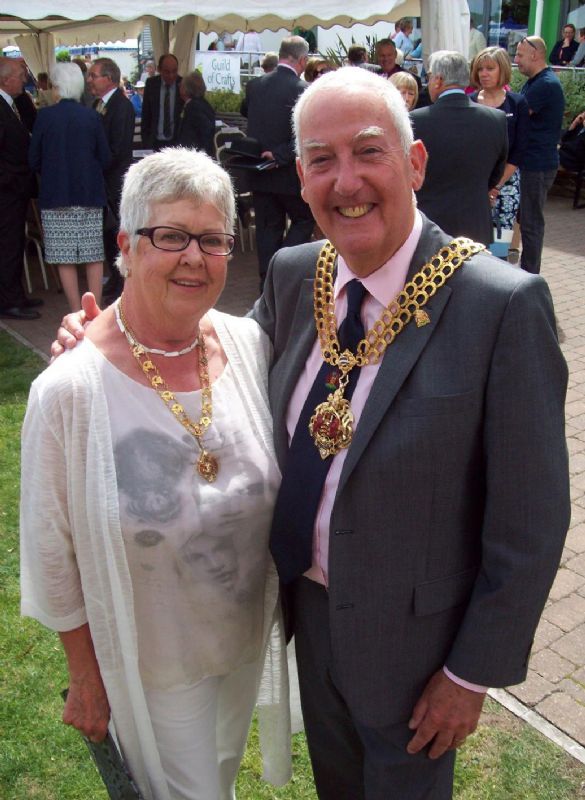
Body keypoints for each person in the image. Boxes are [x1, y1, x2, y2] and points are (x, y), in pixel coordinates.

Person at [55, 67, 570, 800]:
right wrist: (100, 332)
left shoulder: (498, 305)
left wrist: (470, 673)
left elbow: (531, 518)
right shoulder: (296, 276)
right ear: (300, 177)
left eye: (368, 152)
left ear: (414, 162)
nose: (345, 180)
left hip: (418, 646)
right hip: (307, 610)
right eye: (321, 160)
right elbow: (206, 349)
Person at [21, 148, 290, 800]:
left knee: (219, 773)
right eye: (169, 236)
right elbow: (51, 555)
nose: (193, 257)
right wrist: (85, 677)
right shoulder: (70, 391)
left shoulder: (250, 347)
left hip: (240, 637)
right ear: (125, 245)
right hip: (153, 659)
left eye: (212, 239)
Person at [29, 63, 110, 311]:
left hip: (56, 195)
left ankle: (76, 310)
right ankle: (93, 311)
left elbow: (33, 159)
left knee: (64, 257)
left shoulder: (44, 117)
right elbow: (105, 157)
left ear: (57, 88)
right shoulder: (92, 116)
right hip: (89, 193)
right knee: (93, 254)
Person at [411, 50, 508, 247]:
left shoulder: (414, 121)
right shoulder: (496, 119)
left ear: (438, 80)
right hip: (475, 226)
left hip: (429, 228)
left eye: (428, 77)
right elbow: (496, 172)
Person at [240, 36, 314, 290]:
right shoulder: (302, 89)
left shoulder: (255, 85)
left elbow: (245, 111)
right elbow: (306, 134)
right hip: (287, 173)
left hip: (258, 171)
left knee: (267, 228)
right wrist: (280, 154)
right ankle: (281, 268)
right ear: (302, 60)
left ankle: (267, 282)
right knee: (304, 220)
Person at [469, 46, 529, 258]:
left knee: (500, 244)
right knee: (474, 243)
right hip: (475, 184)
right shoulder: (470, 102)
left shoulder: (517, 103)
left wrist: (496, 186)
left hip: (507, 182)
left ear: (501, 70)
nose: (483, 74)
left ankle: (500, 279)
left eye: (489, 69)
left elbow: (520, 149)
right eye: (480, 69)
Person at [514, 36, 564, 274]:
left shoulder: (545, 84)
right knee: (528, 221)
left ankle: (530, 277)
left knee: (532, 224)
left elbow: (518, 116)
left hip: (537, 165)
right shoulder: (535, 82)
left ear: (535, 54)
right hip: (533, 162)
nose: (516, 60)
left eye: (520, 55)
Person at [87, 57, 135, 302]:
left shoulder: (121, 106)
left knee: (116, 232)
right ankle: (115, 279)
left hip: (114, 180)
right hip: (104, 180)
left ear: (109, 78)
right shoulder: (98, 104)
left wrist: (96, 163)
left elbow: (118, 148)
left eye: (94, 75)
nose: (90, 80)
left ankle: (121, 282)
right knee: (107, 234)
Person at [0, 56, 42, 320]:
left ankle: (16, 295)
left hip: (16, 188)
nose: (24, 80)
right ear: (5, 79)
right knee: (8, 244)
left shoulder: (14, 104)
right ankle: (8, 300)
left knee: (14, 242)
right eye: (20, 75)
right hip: (7, 190)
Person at [141, 54, 184, 150]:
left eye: (174, 71)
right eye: (167, 72)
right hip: (155, 142)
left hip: (177, 144)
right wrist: (146, 143)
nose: (171, 75)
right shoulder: (151, 84)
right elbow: (146, 116)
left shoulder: (183, 84)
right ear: (159, 69)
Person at [177, 72, 216, 158]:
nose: (179, 86)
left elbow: (205, 130)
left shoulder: (193, 107)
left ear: (186, 89)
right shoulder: (203, 104)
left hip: (194, 156)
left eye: (181, 85)